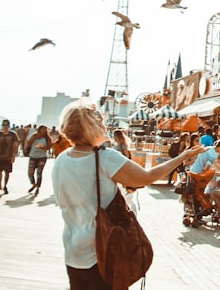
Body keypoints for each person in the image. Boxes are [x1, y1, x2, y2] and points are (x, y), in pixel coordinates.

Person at [51, 100, 203, 289]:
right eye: (100, 121)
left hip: (73, 250)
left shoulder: (61, 159)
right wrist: (182, 157)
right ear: (90, 126)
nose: (104, 125)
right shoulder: (105, 158)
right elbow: (146, 177)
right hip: (102, 250)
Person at [0, 119, 19, 197]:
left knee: (7, 173)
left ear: (9, 126)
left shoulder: (13, 134)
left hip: (8, 157)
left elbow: (15, 145)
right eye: (4, 125)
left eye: (6, 125)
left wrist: (13, 156)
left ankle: (5, 185)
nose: (5, 126)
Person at [26, 125, 53, 195]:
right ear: (39, 130)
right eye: (42, 129)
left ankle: (38, 187)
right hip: (33, 156)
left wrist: (45, 148)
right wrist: (33, 140)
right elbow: (28, 143)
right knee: (30, 172)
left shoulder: (47, 138)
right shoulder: (34, 136)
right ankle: (33, 183)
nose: (43, 131)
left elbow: (49, 146)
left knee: (39, 172)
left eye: (45, 130)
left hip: (42, 156)